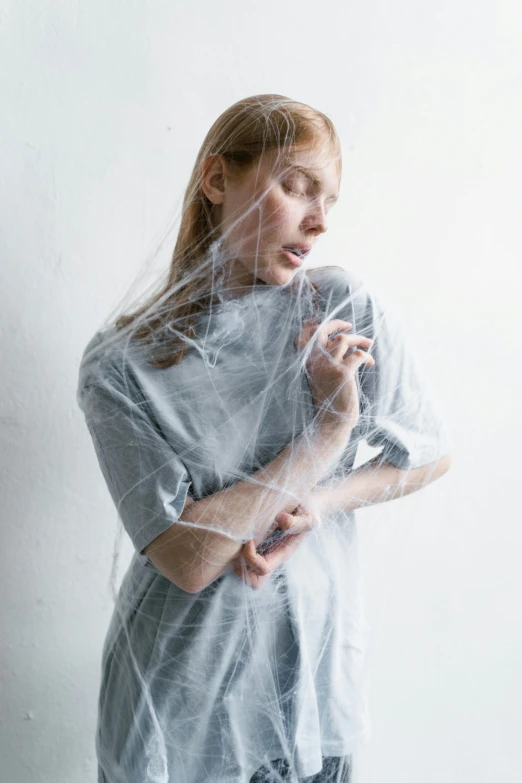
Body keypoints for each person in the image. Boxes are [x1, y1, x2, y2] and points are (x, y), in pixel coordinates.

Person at [77, 94, 452, 783]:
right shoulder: (121, 364)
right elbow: (187, 558)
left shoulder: (339, 310)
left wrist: (321, 503)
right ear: (218, 179)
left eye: (329, 199)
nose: (319, 219)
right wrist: (325, 433)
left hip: (308, 695)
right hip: (176, 705)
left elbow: (426, 452)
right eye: (296, 185)